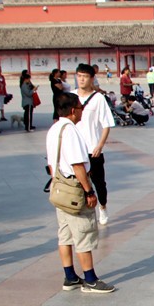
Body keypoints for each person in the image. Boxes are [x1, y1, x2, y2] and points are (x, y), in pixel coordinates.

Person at [46, 92, 115, 293]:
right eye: (80, 107)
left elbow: (51, 164)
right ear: (73, 110)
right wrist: (89, 191)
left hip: (60, 188)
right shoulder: (71, 131)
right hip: (74, 189)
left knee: (65, 234)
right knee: (83, 233)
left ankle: (69, 276)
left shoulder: (54, 130)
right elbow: (78, 165)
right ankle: (90, 279)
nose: (82, 110)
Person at [75, 64, 115, 225]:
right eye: (79, 76)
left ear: (92, 79)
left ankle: (103, 206)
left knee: (99, 183)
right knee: (78, 182)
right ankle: (82, 210)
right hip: (76, 150)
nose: (81, 79)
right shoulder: (71, 97)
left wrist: (100, 145)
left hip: (93, 149)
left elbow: (106, 124)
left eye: (85, 76)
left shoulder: (98, 98)